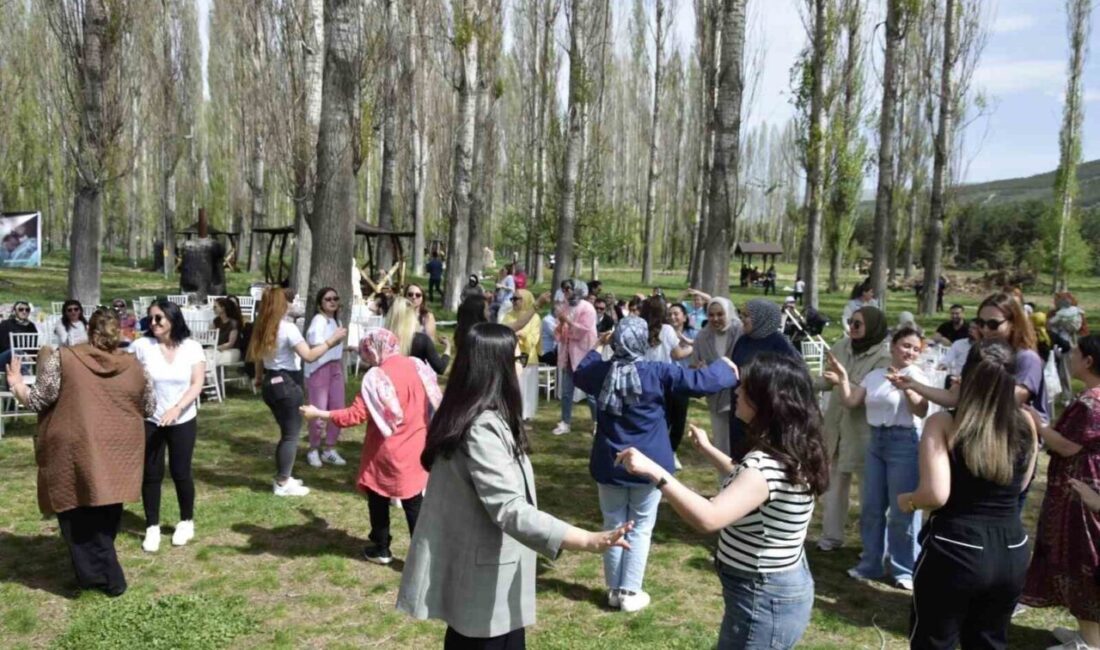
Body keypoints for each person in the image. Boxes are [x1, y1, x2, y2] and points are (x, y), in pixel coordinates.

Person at [396, 323, 633, 648]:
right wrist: (587, 540)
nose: (522, 365)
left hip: (487, 579)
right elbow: (509, 509)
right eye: (518, 357)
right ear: (498, 366)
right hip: (484, 584)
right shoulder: (481, 427)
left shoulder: (480, 416)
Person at [616, 353, 828, 650]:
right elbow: (748, 485)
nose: (737, 391)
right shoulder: (788, 450)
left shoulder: (765, 466)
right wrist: (707, 449)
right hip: (773, 589)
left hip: (762, 597)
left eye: (745, 388)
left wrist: (656, 472)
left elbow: (710, 517)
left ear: (768, 401)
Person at [574, 316, 737, 612]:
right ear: (643, 342)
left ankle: (613, 591)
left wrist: (598, 345)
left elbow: (580, 372)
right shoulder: (658, 372)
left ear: (617, 341)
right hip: (650, 465)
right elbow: (701, 382)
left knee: (613, 523)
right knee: (641, 527)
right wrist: (726, 367)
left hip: (609, 463)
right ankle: (629, 592)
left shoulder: (601, 372)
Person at [899, 340, 1038, 649]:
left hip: (955, 549)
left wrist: (907, 500)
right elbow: (1023, 482)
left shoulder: (944, 422)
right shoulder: (1027, 422)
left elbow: (935, 494)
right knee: (990, 641)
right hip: (1011, 549)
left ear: (967, 376)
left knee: (935, 641)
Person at [5, 309, 154, 597]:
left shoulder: (64, 358)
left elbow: (39, 399)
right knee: (106, 509)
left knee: (76, 513)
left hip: (76, 446)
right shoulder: (136, 365)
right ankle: (92, 576)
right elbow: (148, 406)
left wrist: (17, 385)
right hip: (120, 447)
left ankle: (109, 579)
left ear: (89, 331)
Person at [302, 329, 442, 564]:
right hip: (417, 444)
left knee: (377, 495)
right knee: (414, 500)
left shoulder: (377, 377)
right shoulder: (416, 365)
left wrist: (319, 413)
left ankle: (381, 547)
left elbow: (354, 415)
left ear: (374, 350)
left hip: (386, 449)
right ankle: (424, 556)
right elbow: (434, 397)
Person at [824, 327, 928, 590]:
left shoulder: (916, 375)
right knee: (872, 507)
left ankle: (904, 568)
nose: (910, 352)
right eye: (906, 346)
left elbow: (922, 409)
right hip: (875, 443)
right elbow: (850, 402)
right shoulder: (875, 375)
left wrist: (907, 388)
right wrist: (844, 377)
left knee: (902, 509)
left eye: (916, 349)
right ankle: (871, 563)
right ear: (893, 347)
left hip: (904, 442)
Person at [1020, 335, 1100, 650]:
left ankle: (1091, 641)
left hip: (1083, 492)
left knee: (1083, 558)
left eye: (1077, 352)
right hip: (1082, 489)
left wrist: (1037, 424)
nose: (1072, 357)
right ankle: (1088, 633)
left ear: (1089, 361)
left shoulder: (1090, 402)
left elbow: (1067, 446)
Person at [247, 287, 347, 497]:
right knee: (291, 436)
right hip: (286, 384)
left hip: (269, 383)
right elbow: (309, 355)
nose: (292, 304)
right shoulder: (287, 328)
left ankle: (284, 475)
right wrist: (332, 341)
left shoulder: (262, 326)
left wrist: (258, 377)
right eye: (288, 301)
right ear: (280, 305)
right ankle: (282, 482)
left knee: (286, 434)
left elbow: (256, 356)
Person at [897, 292, 1048, 423]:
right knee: (937, 421)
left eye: (994, 324)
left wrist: (972, 386)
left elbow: (1012, 400)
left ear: (1013, 324)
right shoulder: (979, 352)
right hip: (980, 430)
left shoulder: (1027, 358)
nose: (986, 329)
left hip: (1012, 436)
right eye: (981, 323)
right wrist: (913, 384)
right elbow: (953, 398)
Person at [129, 299, 205, 552]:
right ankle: (152, 526)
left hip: (182, 417)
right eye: (150, 318)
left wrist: (177, 408)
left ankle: (186, 521)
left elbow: (197, 384)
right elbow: (126, 376)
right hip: (150, 418)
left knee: (180, 470)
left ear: (173, 318)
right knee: (151, 473)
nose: (153, 323)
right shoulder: (141, 346)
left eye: (158, 318)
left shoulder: (192, 348)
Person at [814, 306, 892, 552]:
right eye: (851, 322)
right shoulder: (841, 346)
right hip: (835, 427)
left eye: (858, 323)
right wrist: (798, 379)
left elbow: (874, 393)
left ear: (873, 325)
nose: (853, 328)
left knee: (871, 495)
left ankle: (872, 546)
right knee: (834, 487)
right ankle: (831, 537)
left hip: (863, 433)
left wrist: (844, 381)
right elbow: (826, 380)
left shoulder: (884, 358)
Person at [728, 299, 800, 459]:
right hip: (740, 408)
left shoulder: (780, 345)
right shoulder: (743, 341)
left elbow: (796, 375)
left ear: (762, 318)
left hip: (765, 412)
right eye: (742, 314)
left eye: (747, 316)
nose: (742, 319)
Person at [690, 298, 742, 459]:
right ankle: (725, 481)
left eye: (720, 314)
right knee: (721, 444)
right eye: (711, 315)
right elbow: (694, 364)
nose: (715, 319)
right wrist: (700, 369)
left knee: (741, 442)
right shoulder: (702, 336)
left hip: (741, 395)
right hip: (716, 398)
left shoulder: (741, 332)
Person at [303, 287, 348, 469]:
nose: (332, 301)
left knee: (338, 409)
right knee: (318, 410)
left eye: (335, 298)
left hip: (335, 367)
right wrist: (334, 339)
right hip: (319, 369)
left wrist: (345, 347)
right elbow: (315, 344)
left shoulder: (336, 321)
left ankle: (329, 448)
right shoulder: (318, 320)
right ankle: (313, 449)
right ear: (320, 303)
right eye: (327, 299)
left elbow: (334, 347)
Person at [552, 279, 599, 436]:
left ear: (577, 289)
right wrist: (560, 326)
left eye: (568, 288)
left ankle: (597, 423)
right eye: (563, 289)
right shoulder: (565, 306)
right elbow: (560, 332)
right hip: (568, 355)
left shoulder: (588, 308)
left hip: (584, 355)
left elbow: (583, 331)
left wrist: (567, 321)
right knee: (566, 392)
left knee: (591, 394)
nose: (565, 292)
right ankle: (565, 422)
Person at [388, 296, 452, 375]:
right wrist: (448, 347)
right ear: (411, 317)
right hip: (414, 384)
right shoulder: (422, 340)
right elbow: (440, 368)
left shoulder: (382, 339)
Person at [667, 303, 698, 458]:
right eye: (670, 314)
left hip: (684, 380)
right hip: (665, 380)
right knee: (664, 417)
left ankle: (672, 451)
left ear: (684, 317)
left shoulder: (693, 334)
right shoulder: (663, 333)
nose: (673, 317)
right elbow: (674, 355)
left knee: (679, 419)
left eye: (676, 314)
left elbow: (699, 355)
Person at [505, 289, 541, 422]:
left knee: (527, 389)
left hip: (528, 358)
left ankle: (526, 416)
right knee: (514, 388)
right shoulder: (508, 315)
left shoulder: (535, 318)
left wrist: (522, 335)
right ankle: (513, 414)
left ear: (525, 299)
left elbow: (534, 340)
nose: (513, 302)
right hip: (511, 357)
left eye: (516, 299)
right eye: (512, 299)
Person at [640, 297, 692, 364]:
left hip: (643, 369)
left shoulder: (639, 328)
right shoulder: (667, 329)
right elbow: (678, 355)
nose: (671, 317)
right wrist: (691, 348)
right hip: (662, 370)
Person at [0, 301, 38, 374]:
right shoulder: (5, 324)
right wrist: (21, 353)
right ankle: (25, 380)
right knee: (15, 352)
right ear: (15, 311)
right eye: (21, 309)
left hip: (23, 359)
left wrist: (28, 355)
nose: (24, 312)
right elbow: (2, 346)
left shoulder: (31, 326)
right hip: (4, 358)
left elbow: (33, 347)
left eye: (27, 310)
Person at [454, 294, 489, 358]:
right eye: (486, 310)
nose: (489, 313)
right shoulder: (480, 335)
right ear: (478, 312)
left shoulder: (461, 330)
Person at [211, 297, 243, 365]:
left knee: (213, 358)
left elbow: (230, 344)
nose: (213, 309)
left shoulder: (233, 323)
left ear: (223, 308)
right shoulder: (215, 321)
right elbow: (211, 337)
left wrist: (216, 348)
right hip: (218, 349)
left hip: (232, 351)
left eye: (215, 307)